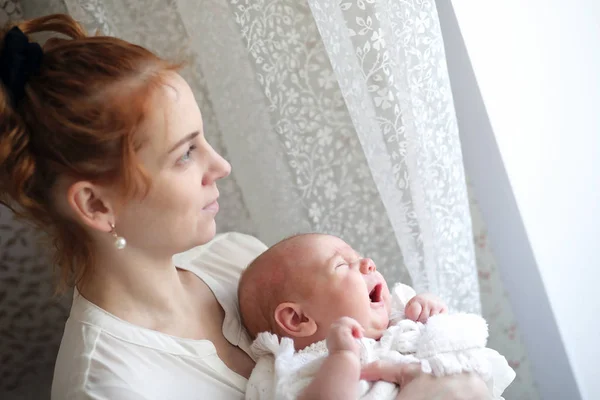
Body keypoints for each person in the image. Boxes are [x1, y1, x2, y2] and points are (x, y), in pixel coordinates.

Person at [0, 13, 491, 400]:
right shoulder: (110, 385)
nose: (221, 165)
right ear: (95, 203)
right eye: (186, 153)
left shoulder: (236, 257)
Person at [238, 233, 515, 400]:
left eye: (358, 257)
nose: (368, 263)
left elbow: (459, 352)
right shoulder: (300, 366)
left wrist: (434, 315)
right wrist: (343, 358)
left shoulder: (400, 322)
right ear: (298, 320)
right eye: (342, 264)